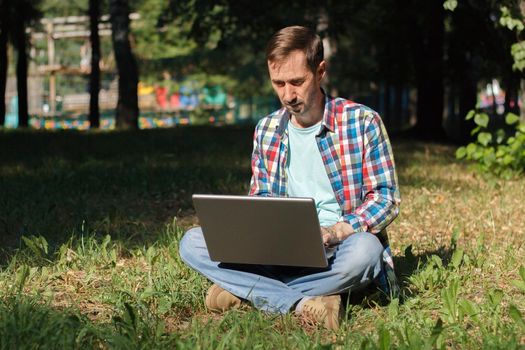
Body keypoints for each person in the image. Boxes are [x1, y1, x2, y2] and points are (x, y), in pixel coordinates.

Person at [179, 26, 400, 330]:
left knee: (367, 251)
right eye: (278, 83)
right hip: (277, 249)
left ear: (320, 71)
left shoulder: (362, 122)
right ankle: (306, 301)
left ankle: (250, 291)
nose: (287, 95)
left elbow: (386, 199)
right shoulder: (267, 129)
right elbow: (261, 198)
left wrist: (336, 231)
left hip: (338, 249)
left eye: (297, 82)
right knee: (191, 242)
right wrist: (256, 232)